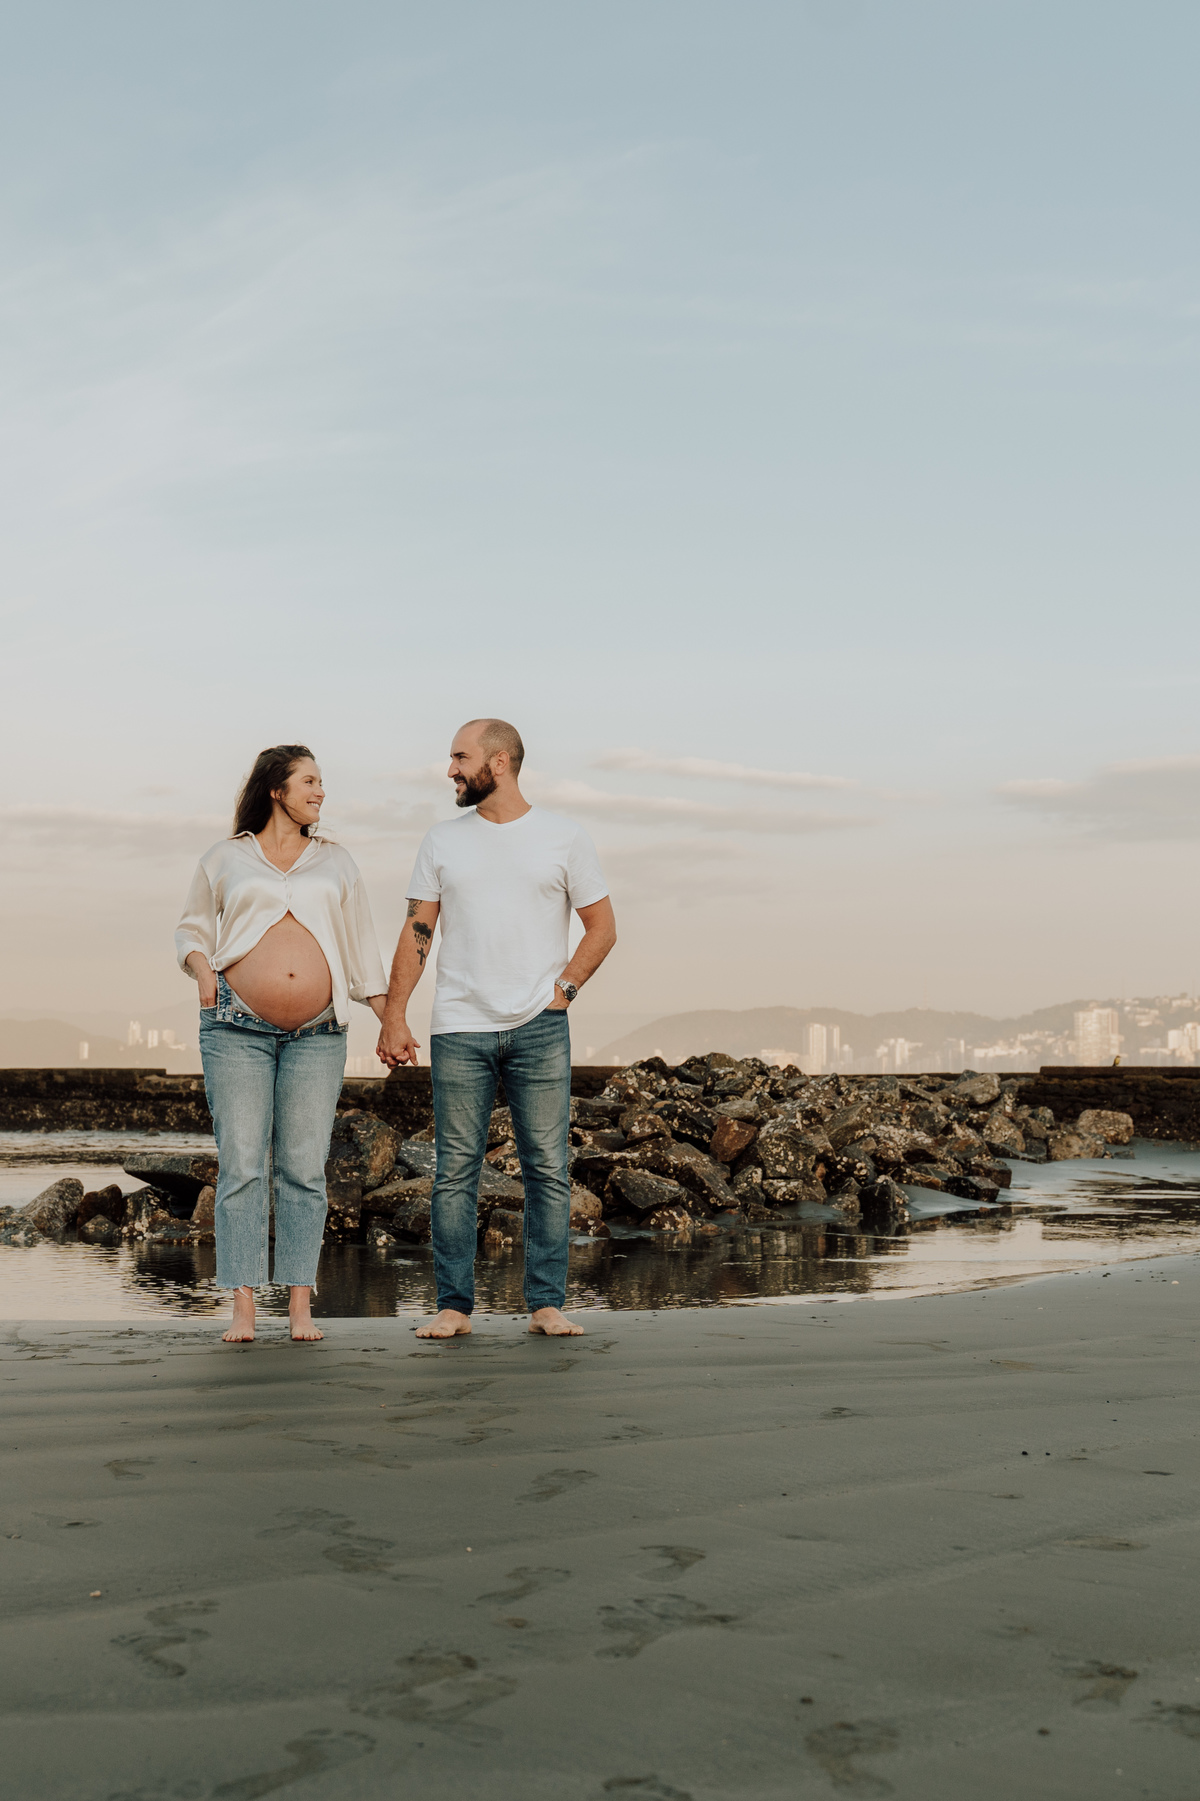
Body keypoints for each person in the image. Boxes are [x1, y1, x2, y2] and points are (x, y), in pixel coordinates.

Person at [377, 719, 617, 1339]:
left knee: (547, 1167)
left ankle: (545, 1302)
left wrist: (562, 992)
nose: (450, 770)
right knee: (455, 1169)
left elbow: (602, 928)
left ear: (500, 761)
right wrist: (396, 1013)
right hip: (458, 1026)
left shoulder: (564, 837)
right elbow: (417, 932)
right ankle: (454, 1305)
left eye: (460, 757)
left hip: (540, 1027)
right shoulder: (441, 841)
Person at [175, 745, 389, 1344]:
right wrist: (203, 972)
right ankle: (242, 1307)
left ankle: (299, 1305)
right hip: (235, 1028)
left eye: (322, 783)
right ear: (277, 788)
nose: (321, 792)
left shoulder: (337, 862)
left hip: (318, 1034)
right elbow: (192, 927)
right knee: (242, 1165)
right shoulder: (225, 857)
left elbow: (362, 945)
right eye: (310, 781)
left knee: (302, 1169)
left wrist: (388, 1017)